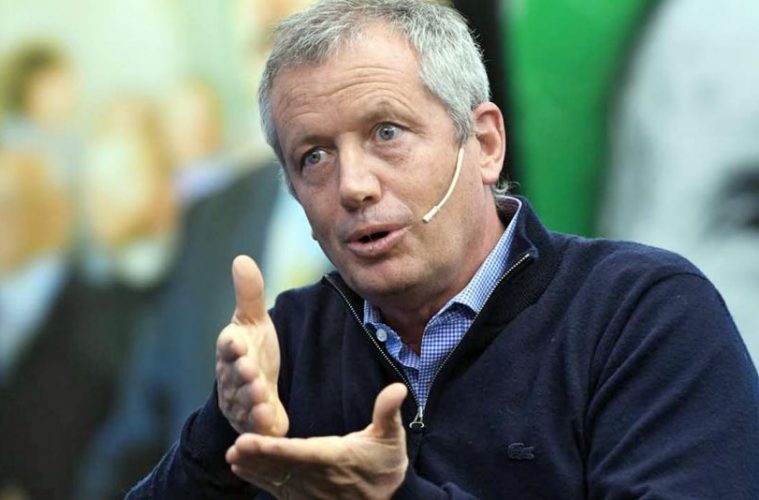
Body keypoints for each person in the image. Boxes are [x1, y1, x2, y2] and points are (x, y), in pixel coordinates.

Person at [129, 1, 759, 498]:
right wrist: (223, 432)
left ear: (484, 144)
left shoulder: (640, 316)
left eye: (387, 132)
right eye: (314, 157)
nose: (352, 186)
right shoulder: (290, 343)